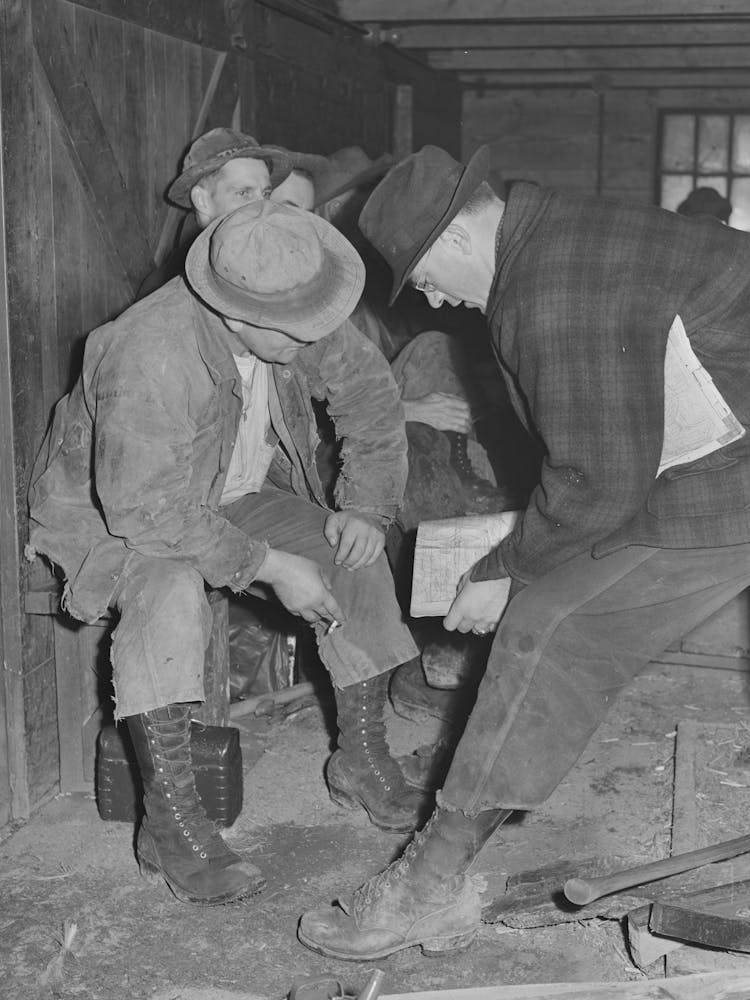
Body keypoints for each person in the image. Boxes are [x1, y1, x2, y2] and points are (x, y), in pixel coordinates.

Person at [297, 144, 750, 960]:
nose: (435, 300)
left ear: (458, 240)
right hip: (716, 446)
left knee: (548, 629)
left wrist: (505, 573)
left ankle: (426, 889)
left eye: (428, 279)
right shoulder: (560, 229)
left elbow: (600, 482)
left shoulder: (550, 290)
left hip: (731, 474)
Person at [26, 200, 430, 908]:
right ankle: (171, 826)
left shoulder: (290, 313)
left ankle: (361, 759)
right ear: (233, 316)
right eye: (295, 336)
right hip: (116, 515)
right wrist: (268, 566)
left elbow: (370, 392)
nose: (315, 343)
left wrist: (367, 506)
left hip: (227, 494)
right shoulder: (152, 349)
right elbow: (143, 510)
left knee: (353, 553)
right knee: (170, 593)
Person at [137, 127, 292, 298]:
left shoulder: (270, 264)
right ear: (202, 201)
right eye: (243, 193)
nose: (264, 207)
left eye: (266, 194)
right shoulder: (166, 291)